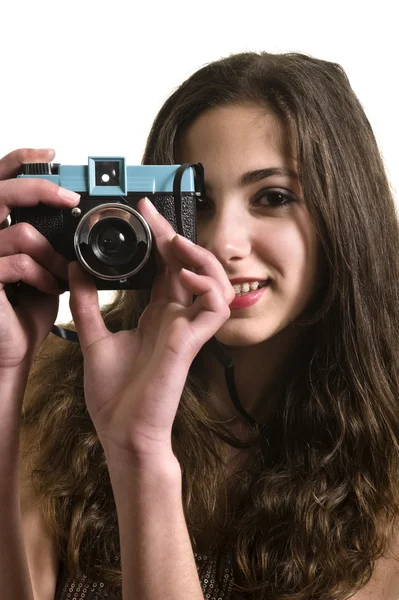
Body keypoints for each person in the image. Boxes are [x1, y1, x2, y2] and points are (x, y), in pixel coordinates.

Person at [1, 51, 399, 600]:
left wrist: (141, 455)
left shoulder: (386, 444)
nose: (222, 243)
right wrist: (8, 375)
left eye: (273, 198)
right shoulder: (66, 384)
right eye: (198, 204)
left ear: (345, 213)